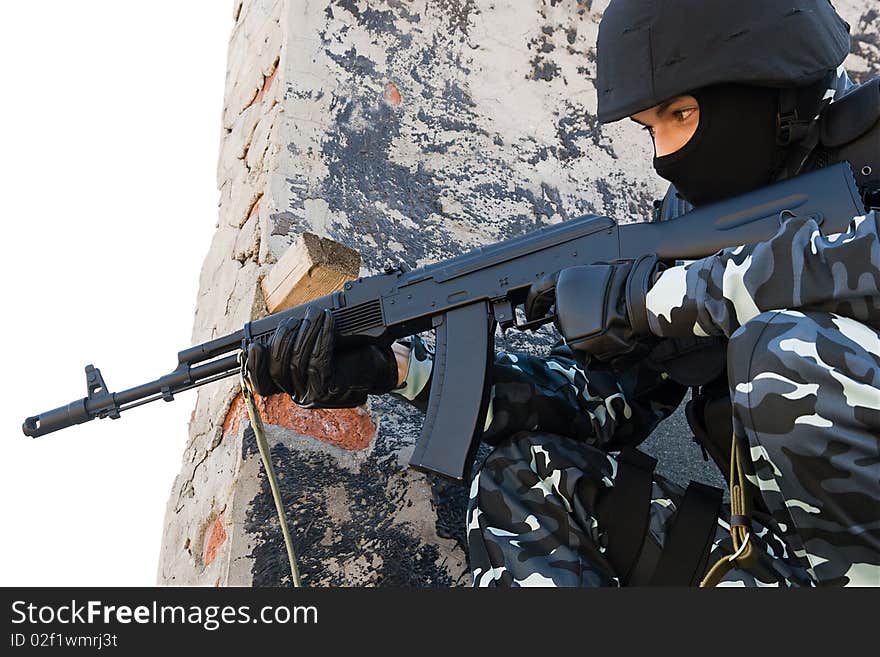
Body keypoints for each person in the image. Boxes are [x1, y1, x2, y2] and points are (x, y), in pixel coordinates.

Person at [247, 0, 880, 587]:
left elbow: (852, 262)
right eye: (648, 128)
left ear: (767, 88)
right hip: (780, 566)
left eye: (682, 116)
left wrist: (652, 298)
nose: (665, 155)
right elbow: (608, 403)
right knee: (519, 481)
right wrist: (401, 371)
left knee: (787, 354)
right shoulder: (684, 222)